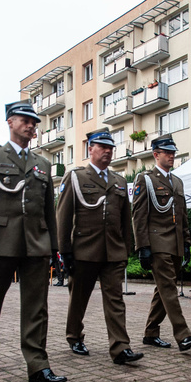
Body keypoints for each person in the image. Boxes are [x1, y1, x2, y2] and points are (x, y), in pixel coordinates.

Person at [0, 100, 66, 382]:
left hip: (36, 242)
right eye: (24, 119)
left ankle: (38, 365)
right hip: (0, 241)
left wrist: (55, 247)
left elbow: (50, 209)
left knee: (37, 306)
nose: (30, 124)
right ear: (10, 122)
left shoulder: (43, 164)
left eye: (34, 121)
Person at [57, 129, 144, 365]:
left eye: (110, 148)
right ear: (90, 149)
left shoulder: (118, 181)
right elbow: (63, 217)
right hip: (84, 250)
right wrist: (64, 251)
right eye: (102, 147)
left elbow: (126, 220)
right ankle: (74, 336)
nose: (107, 151)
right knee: (79, 298)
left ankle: (120, 348)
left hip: (112, 251)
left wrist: (127, 249)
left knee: (115, 300)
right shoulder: (76, 177)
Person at [132, 134, 191, 352]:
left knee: (162, 290)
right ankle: (183, 335)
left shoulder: (177, 181)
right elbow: (139, 216)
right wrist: (142, 247)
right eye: (167, 152)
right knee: (169, 289)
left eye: (173, 152)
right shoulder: (145, 180)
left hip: (176, 243)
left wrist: (187, 243)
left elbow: (181, 216)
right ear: (156, 154)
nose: (172, 156)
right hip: (157, 242)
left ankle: (151, 333)